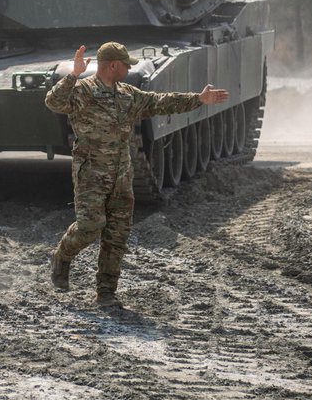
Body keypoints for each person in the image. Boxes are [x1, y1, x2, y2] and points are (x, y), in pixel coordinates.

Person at [45, 42, 229, 309]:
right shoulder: (83, 92)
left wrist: (198, 99)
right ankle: (61, 257)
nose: (129, 68)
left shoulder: (128, 94)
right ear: (112, 65)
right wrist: (73, 75)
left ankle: (106, 293)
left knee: (117, 235)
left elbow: (160, 102)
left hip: (122, 174)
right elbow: (53, 102)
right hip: (91, 174)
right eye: (125, 64)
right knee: (90, 227)